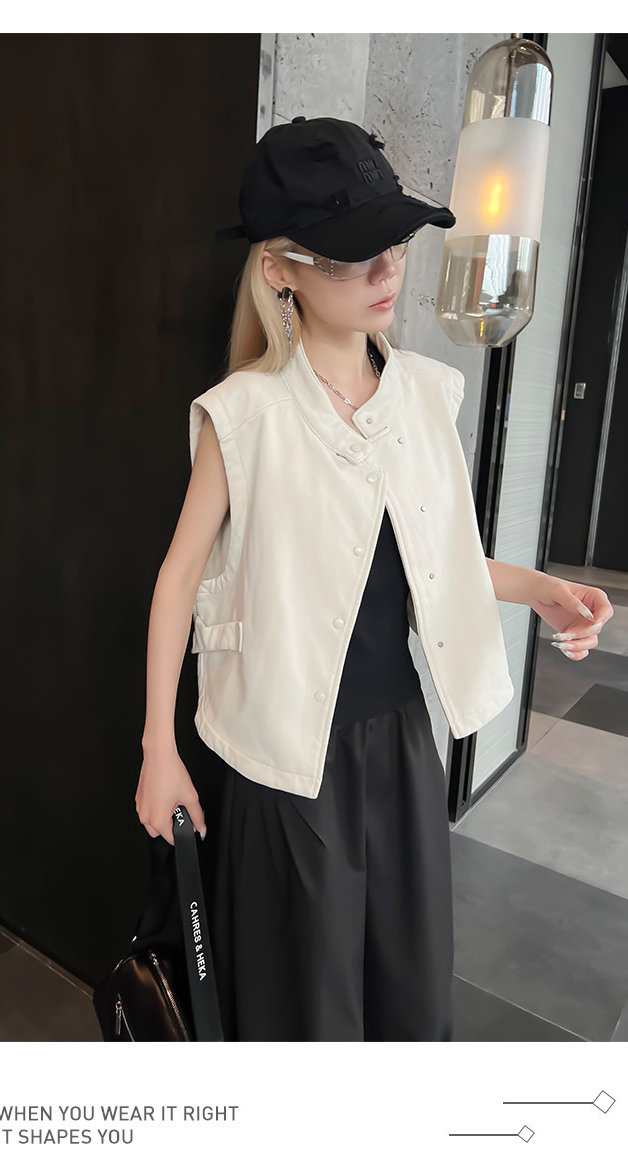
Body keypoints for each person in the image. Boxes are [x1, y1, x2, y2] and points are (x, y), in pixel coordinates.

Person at [135, 116, 613, 1042]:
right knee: (306, 1015)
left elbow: (429, 556)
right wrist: (161, 750)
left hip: (398, 747)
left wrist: (541, 590)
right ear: (281, 270)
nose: (387, 271)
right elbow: (178, 577)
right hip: (284, 758)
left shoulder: (426, 394)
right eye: (354, 255)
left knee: (407, 1001)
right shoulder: (247, 415)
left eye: (394, 244)